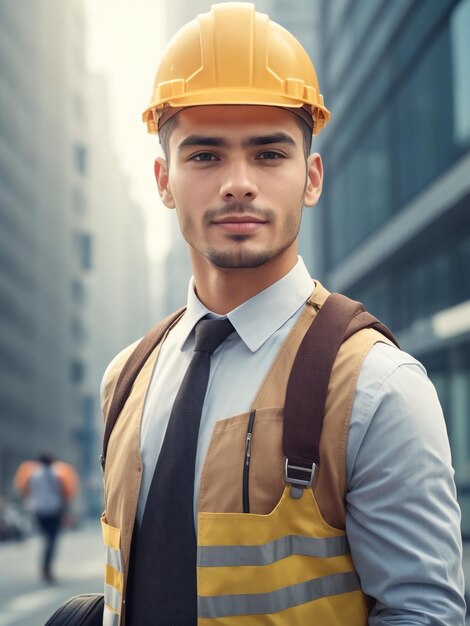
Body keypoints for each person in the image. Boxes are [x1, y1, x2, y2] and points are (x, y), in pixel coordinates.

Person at [99, 3, 466, 625]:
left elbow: (424, 613)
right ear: (163, 180)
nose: (238, 183)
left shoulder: (377, 387)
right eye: (205, 156)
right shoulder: (125, 379)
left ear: (312, 177)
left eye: (269, 155)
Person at [17, 454, 69, 583]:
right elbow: (64, 494)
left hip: (39, 511)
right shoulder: (58, 475)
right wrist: (65, 512)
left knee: (47, 540)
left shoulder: (33, 476)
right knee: (51, 541)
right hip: (54, 511)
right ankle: (47, 568)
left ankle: (45, 567)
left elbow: (25, 491)